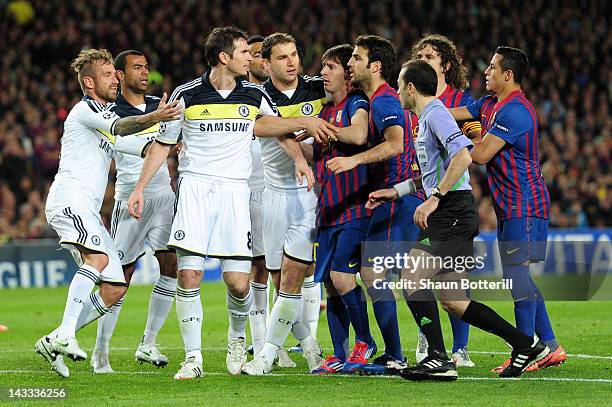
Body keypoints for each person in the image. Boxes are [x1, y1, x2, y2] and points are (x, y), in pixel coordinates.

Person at [128, 26, 337, 380]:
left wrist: (300, 158)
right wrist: (139, 187)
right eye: (243, 52)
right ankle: (192, 358)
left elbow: (275, 127)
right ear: (224, 57)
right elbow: (164, 144)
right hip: (195, 189)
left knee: (239, 284)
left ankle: (237, 337)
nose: (249, 58)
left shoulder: (254, 95)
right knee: (189, 273)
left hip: (235, 193)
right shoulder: (187, 94)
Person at [367, 59, 549, 380]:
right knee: (453, 300)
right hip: (453, 211)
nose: (396, 91)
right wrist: (396, 192)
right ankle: (525, 343)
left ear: (411, 88)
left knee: (412, 279)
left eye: (399, 85)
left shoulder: (436, 113)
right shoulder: (426, 118)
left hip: (451, 211)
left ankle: (437, 358)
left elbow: (464, 156)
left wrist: (434, 198)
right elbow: (431, 173)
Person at [35, 48, 181, 378]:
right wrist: (152, 118)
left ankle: (54, 338)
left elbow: (137, 145)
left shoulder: (102, 122)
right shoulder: (85, 110)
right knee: (98, 260)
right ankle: (67, 335)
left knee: (115, 286)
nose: (114, 79)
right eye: (106, 74)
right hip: (69, 201)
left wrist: (165, 144)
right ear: (89, 81)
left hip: (87, 211)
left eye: (112, 74)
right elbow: (124, 127)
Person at [449, 46, 566, 372]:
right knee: (519, 276)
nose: (485, 72)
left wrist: (459, 137)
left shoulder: (517, 111)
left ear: (508, 75)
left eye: (491, 67)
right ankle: (550, 346)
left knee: (516, 277)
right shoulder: (488, 104)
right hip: (509, 205)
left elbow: (482, 154)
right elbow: (457, 112)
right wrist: (427, 112)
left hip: (525, 204)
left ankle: (526, 351)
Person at [326, 35, 422, 374]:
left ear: (375, 66)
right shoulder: (376, 99)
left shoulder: (383, 101)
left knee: (375, 273)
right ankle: (398, 352)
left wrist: (355, 162)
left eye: (356, 57)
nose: (351, 63)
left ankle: (403, 353)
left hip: (398, 197)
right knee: (379, 274)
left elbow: (395, 144)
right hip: (389, 197)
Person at [242, 32, 328, 375]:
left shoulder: (318, 88)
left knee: (298, 274)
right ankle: (310, 351)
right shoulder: (257, 95)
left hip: (309, 195)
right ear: (267, 63)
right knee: (282, 282)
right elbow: (264, 128)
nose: (291, 61)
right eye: (282, 57)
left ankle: (271, 356)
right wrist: (302, 128)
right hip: (271, 196)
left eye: (294, 54)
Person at [90, 50, 178, 373]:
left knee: (171, 264)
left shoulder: (161, 105)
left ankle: (148, 343)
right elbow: (112, 143)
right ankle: (100, 351)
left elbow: (171, 142)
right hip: (129, 200)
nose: (145, 73)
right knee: (119, 277)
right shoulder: (112, 112)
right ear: (120, 74)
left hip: (163, 196)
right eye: (137, 67)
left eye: (146, 67)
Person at [297, 44, 375, 374]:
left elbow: (358, 135)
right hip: (327, 208)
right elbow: (314, 154)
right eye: (323, 67)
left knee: (343, 277)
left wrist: (325, 130)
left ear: (347, 73)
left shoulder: (357, 104)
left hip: (355, 206)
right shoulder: (325, 111)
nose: (324, 72)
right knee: (329, 281)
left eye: (331, 67)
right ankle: (339, 353)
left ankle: (366, 341)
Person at [411, 34, 481, 367]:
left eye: (430, 55)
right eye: (419, 55)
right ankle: (431, 345)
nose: (423, 59)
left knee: (447, 279)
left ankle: (458, 347)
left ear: (445, 64)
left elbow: (473, 145)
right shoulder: (415, 102)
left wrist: (439, 189)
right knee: (429, 279)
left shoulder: (458, 101)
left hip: (451, 197)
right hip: (424, 195)